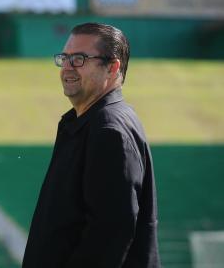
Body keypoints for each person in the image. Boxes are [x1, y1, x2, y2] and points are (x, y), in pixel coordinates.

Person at [22, 23, 161, 268]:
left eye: (79, 59)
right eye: (64, 58)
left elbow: (109, 235)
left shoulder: (109, 131)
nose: (67, 67)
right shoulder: (85, 123)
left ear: (112, 67)